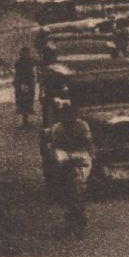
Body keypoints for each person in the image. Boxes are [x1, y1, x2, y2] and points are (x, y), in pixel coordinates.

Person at [45, 98, 94, 236]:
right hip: (65, 154)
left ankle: (78, 221)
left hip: (80, 154)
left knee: (78, 186)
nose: (68, 118)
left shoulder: (82, 125)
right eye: (65, 115)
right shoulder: (57, 127)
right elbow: (55, 145)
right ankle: (72, 220)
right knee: (67, 188)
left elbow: (86, 142)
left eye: (71, 114)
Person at [13, 47, 39, 128]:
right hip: (25, 84)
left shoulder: (24, 62)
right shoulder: (26, 62)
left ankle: (25, 122)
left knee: (24, 102)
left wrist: (23, 84)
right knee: (24, 102)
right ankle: (25, 121)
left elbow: (24, 74)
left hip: (24, 84)